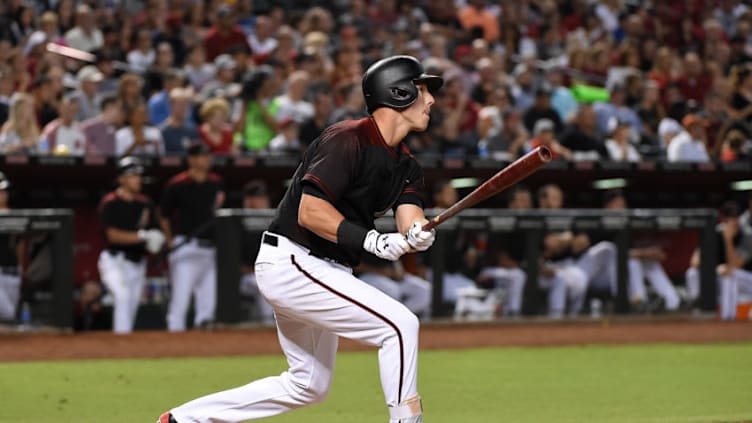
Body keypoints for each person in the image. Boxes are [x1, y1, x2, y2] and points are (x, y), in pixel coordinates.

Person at [158, 55, 441, 423]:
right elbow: (311, 212)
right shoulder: (348, 138)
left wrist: (416, 235)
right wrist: (371, 241)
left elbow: (409, 218)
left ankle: (183, 420)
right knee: (401, 326)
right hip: (294, 261)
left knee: (308, 384)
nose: (431, 100)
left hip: (324, 270)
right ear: (398, 92)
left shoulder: (407, 165)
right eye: (422, 90)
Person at [160, 143, 224, 332]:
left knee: (208, 300)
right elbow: (163, 215)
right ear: (191, 159)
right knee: (181, 299)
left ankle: (203, 347)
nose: (207, 159)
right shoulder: (177, 184)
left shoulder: (216, 182)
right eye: (203, 156)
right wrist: (170, 239)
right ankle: (174, 339)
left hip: (210, 247)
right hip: (186, 245)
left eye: (208, 156)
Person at [97, 157, 165, 333]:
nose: (138, 180)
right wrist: (142, 236)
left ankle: (126, 346)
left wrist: (156, 241)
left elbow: (157, 232)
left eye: (138, 176)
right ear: (121, 179)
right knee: (123, 296)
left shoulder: (145, 203)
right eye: (133, 176)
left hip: (137, 262)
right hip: (115, 262)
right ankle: (121, 345)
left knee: (132, 306)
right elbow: (113, 236)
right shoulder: (111, 202)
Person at [686, 201, 752, 320]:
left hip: (747, 279)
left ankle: (727, 318)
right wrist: (716, 269)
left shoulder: (746, 235)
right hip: (723, 276)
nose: (734, 222)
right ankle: (697, 304)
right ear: (723, 220)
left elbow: (736, 265)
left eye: (736, 218)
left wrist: (728, 241)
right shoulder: (714, 233)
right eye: (730, 219)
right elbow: (694, 262)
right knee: (692, 273)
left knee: (731, 275)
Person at [0, 173, 22, 322]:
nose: (3, 195)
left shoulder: (13, 215)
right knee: (7, 313)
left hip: (11, 270)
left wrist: (21, 267)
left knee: (10, 317)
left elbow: (19, 244)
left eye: (4, 191)